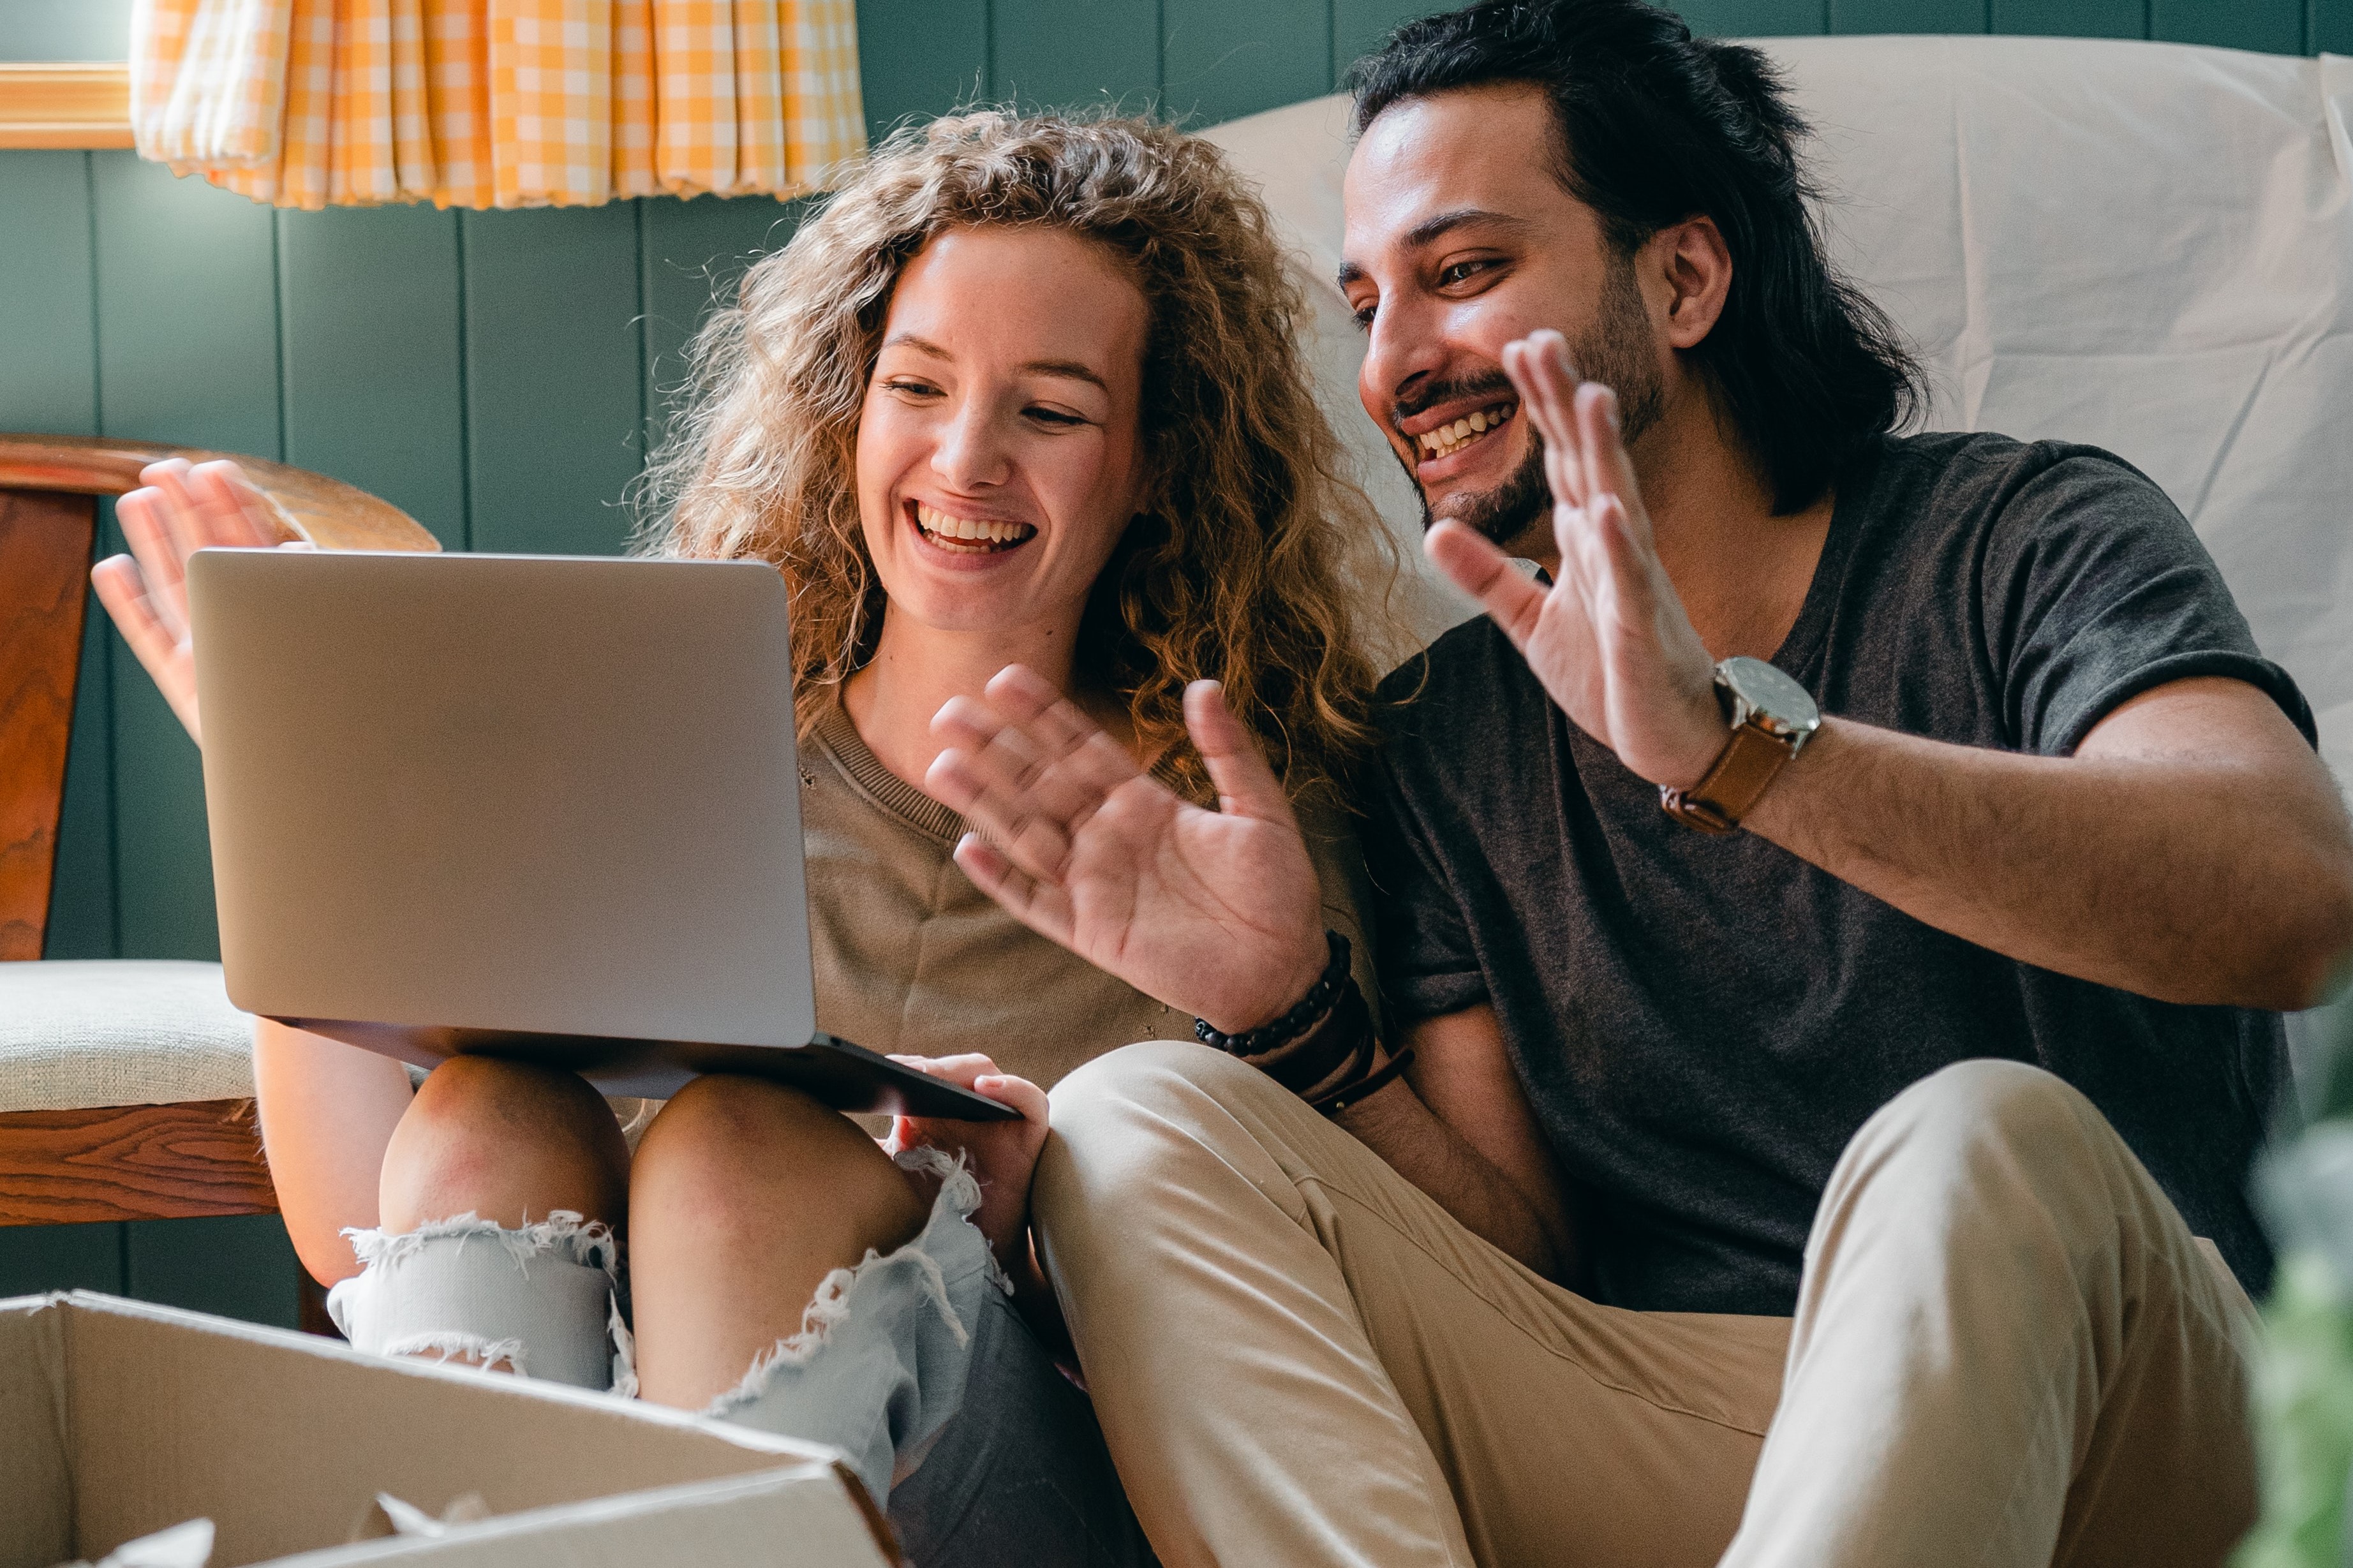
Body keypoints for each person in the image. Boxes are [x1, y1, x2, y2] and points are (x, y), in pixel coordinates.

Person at [917, 4, 2353, 1565]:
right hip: (1715, 1422)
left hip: (2135, 1409)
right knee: (1138, 1111)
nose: (1394, 361)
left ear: (1680, 277)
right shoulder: (1445, 739)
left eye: (1459, 274)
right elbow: (1520, 1256)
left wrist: (1737, 752)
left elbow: (2288, 903)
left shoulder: (2019, 538)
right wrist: (1289, 1016)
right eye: (1367, 303)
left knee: (1975, 1135)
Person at [89, 110, 1392, 1564]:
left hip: (1022, 1476)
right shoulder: (676, 755)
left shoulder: (1231, 834)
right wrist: (296, 803)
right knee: (480, 1107)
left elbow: (1314, 1356)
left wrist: (1036, 1234)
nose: (967, 457)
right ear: (850, 407)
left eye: (1051, 409)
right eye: (917, 384)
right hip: (601, 1474)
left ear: (1155, 460)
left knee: (733, 1149)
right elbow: (357, 1240)